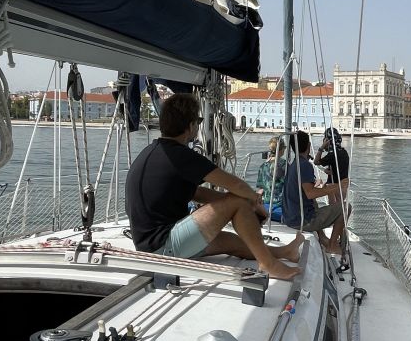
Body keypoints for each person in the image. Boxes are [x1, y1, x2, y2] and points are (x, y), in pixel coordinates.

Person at [125, 93, 303, 280]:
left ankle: (284, 252)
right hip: (163, 247)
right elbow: (234, 183)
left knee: (233, 242)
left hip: (150, 245)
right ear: (191, 125)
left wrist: (236, 202)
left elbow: (198, 193)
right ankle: (268, 264)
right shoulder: (180, 155)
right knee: (237, 202)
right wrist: (250, 200)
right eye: (199, 121)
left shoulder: (155, 152)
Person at [282, 130, 346, 254]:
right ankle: (332, 245)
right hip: (302, 221)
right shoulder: (304, 165)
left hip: (290, 218)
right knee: (345, 207)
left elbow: (308, 195)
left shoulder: (293, 164)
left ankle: (322, 237)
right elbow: (311, 193)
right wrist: (339, 186)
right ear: (308, 146)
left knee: (312, 201)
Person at [313, 127, 349, 203]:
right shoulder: (344, 152)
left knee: (334, 209)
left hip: (334, 187)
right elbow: (339, 169)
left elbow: (316, 162)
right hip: (344, 186)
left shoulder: (332, 155)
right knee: (340, 207)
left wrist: (322, 147)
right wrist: (326, 170)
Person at [255, 136, 287, 221]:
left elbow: (261, 189)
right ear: (282, 150)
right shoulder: (285, 165)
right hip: (281, 207)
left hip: (266, 206)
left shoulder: (263, 165)